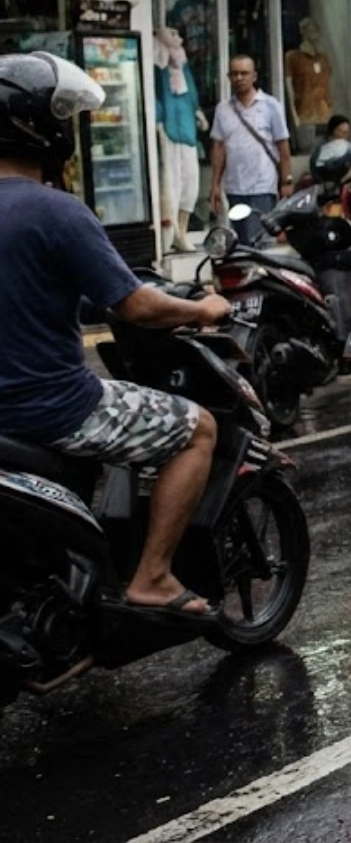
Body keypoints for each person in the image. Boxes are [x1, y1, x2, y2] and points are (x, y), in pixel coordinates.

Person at [0, 52, 230, 623]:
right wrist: (202, 310)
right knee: (199, 428)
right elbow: (137, 305)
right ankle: (152, 577)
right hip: (53, 408)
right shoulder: (57, 212)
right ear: (43, 127)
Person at [210, 54, 291, 246]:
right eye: (235, 74)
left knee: (261, 242)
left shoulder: (271, 106)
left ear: (254, 76)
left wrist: (287, 180)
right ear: (229, 77)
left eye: (244, 73)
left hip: (263, 188)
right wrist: (215, 185)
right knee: (241, 244)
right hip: (235, 188)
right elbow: (218, 148)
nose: (239, 78)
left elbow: (282, 145)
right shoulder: (223, 109)